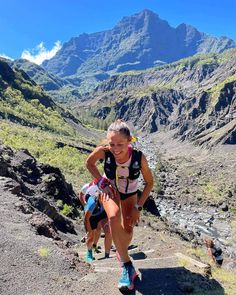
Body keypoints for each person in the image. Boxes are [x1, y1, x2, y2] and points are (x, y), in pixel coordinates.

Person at [86, 119, 153, 292]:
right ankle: (127, 266)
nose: (115, 149)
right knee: (113, 217)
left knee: (128, 230)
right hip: (110, 191)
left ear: (129, 141)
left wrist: (138, 207)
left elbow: (149, 183)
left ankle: (121, 250)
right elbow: (89, 163)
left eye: (120, 144)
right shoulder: (104, 151)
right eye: (112, 144)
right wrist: (101, 182)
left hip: (130, 194)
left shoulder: (138, 157)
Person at [82, 181, 112, 263]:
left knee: (108, 231)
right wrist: (89, 230)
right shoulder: (92, 203)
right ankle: (89, 252)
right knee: (91, 236)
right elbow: (86, 219)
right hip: (91, 216)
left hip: (102, 213)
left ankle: (107, 255)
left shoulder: (108, 197)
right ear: (99, 198)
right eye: (104, 199)